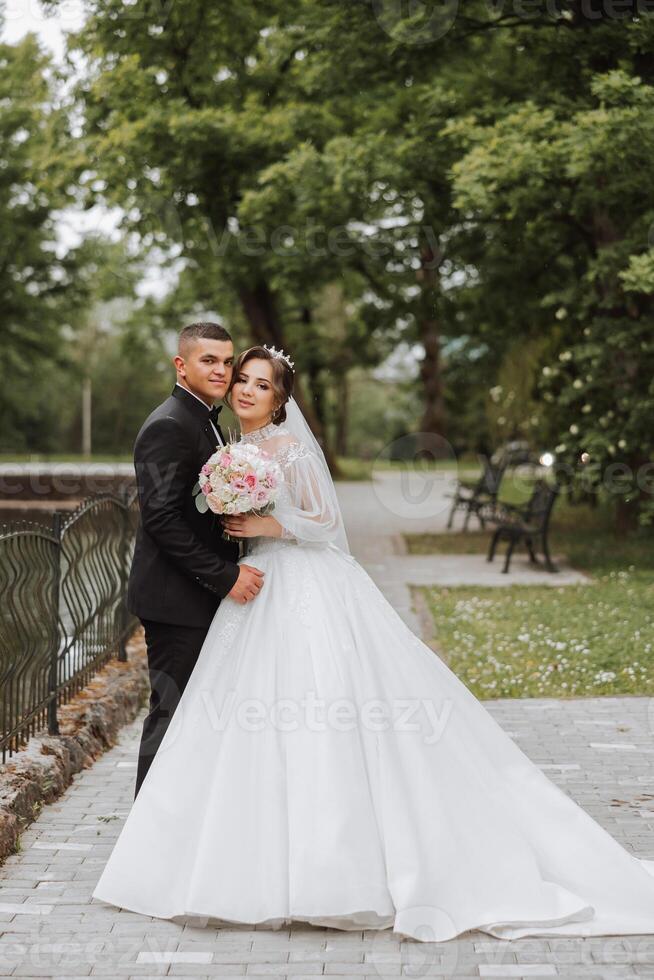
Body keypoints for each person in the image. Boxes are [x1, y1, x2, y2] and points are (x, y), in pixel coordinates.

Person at [94, 343, 654, 943]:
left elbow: (330, 525)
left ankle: (333, 870)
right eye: (242, 380)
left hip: (301, 585)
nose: (247, 389)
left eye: (260, 382)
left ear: (281, 399)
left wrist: (272, 526)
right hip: (253, 592)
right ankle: (215, 855)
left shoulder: (288, 451)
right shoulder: (231, 449)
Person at [127, 322, 265, 798]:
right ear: (181, 365)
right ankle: (145, 832)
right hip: (174, 600)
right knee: (170, 712)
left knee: (196, 714)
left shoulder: (206, 417)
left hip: (199, 596)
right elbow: (161, 519)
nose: (222, 371)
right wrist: (226, 577)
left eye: (227, 362)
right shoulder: (169, 424)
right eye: (209, 361)